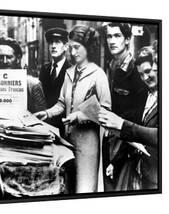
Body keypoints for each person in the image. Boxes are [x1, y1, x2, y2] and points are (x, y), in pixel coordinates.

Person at [35, 25, 111, 193]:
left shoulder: (98, 75)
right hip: (68, 142)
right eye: (71, 47)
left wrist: (80, 116)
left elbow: (106, 110)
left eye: (77, 47)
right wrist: (47, 113)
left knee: (84, 189)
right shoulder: (69, 73)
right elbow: (62, 103)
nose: (73, 51)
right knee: (68, 188)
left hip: (88, 144)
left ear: (88, 48)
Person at [98, 45, 158, 190]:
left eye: (149, 71)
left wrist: (121, 124)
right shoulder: (145, 95)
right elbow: (133, 133)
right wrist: (115, 162)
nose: (145, 78)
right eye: (141, 74)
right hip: (143, 171)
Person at [102, 22, 148, 191]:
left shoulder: (136, 72)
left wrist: (117, 159)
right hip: (108, 143)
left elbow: (137, 118)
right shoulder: (111, 66)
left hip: (125, 149)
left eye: (117, 36)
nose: (112, 41)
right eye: (109, 36)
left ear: (127, 39)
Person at [0, 36, 47, 114]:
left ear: (18, 59)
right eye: (0, 57)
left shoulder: (32, 85)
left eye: (9, 57)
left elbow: (43, 118)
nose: (4, 61)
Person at [39, 28, 71, 136]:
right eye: (50, 42)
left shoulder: (71, 71)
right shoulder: (45, 69)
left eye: (57, 42)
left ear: (66, 46)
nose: (53, 46)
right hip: (44, 126)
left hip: (63, 128)